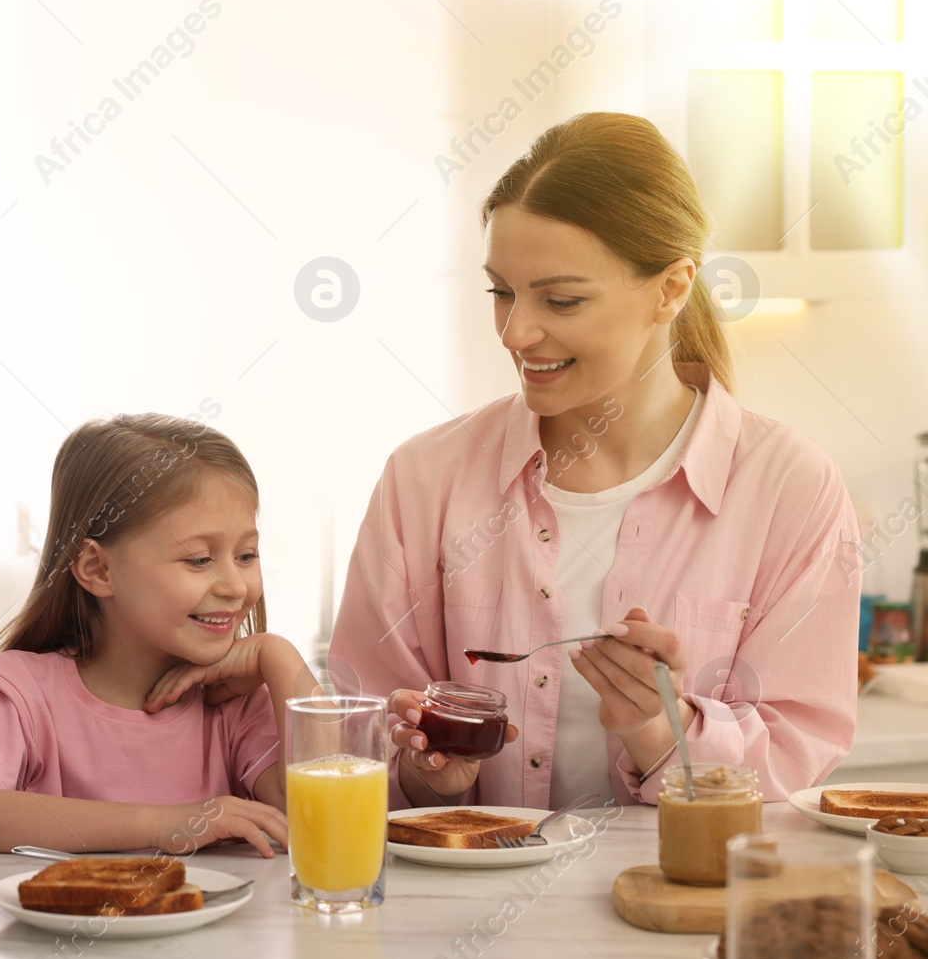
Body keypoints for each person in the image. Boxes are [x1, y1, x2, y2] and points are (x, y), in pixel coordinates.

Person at [330, 112, 860, 812]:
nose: (516, 331)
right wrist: (426, 774)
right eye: (501, 291)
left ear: (672, 289)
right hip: (455, 911)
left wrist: (662, 727)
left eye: (562, 299)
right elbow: (355, 745)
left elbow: (794, 763)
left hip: (686, 911)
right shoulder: (423, 480)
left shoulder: (790, 488)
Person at [0, 415, 313, 856]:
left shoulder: (234, 701)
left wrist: (279, 656)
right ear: (98, 569)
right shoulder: (20, 693)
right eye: (199, 560)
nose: (236, 586)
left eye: (246, 555)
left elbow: (321, 818)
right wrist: (161, 824)